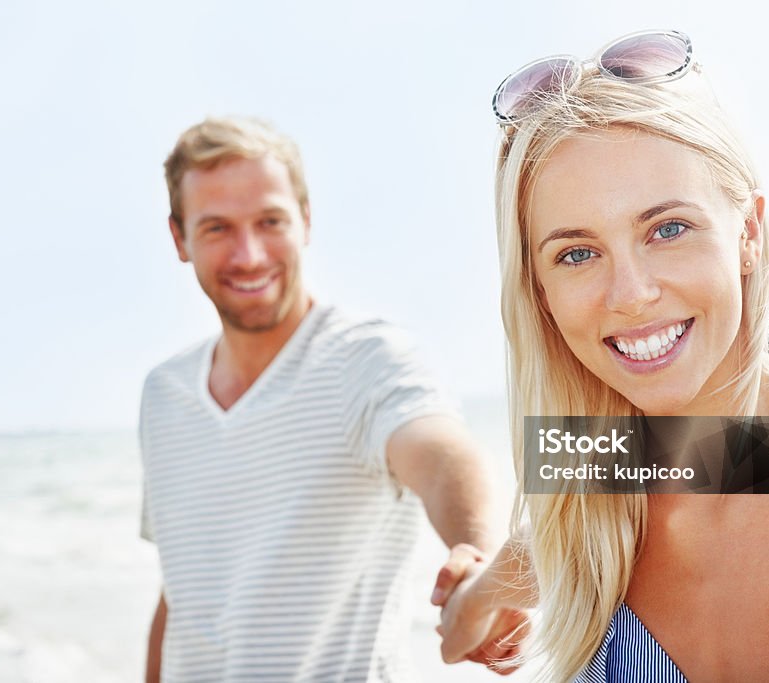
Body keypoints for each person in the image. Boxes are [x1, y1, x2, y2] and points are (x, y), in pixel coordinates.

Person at [432, 30, 769, 682]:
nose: (632, 294)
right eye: (577, 252)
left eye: (668, 228)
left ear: (748, 234)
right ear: (540, 291)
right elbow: (459, 627)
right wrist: (476, 590)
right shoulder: (585, 488)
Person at [139, 116, 522, 682]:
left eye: (269, 221)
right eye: (217, 228)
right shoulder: (164, 395)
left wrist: (477, 563)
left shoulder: (368, 360)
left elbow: (444, 457)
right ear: (179, 238)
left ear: (305, 221)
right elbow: (181, 594)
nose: (248, 255)